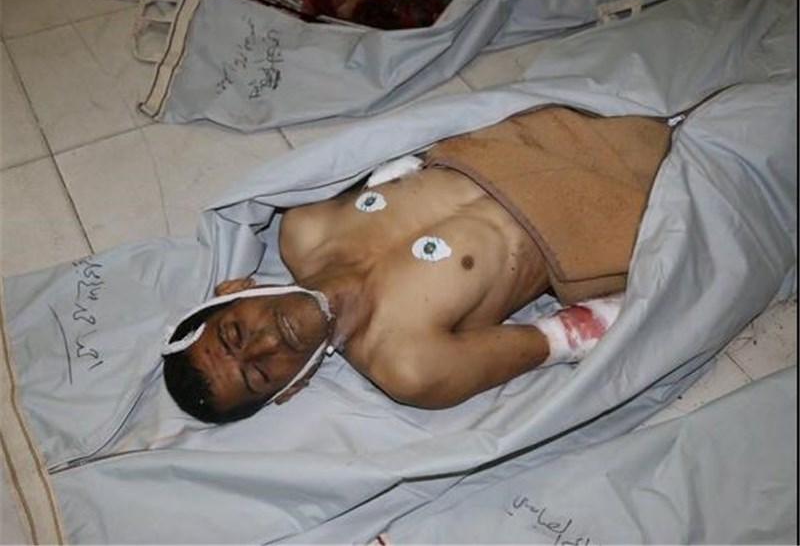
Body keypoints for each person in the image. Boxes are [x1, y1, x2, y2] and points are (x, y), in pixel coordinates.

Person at [163, 106, 673, 423]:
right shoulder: (410, 363)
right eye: (259, 373)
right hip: (618, 206)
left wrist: (397, 171)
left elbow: (392, 144)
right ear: (291, 388)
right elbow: (570, 335)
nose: (268, 344)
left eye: (234, 334)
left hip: (540, 123)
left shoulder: (305, 226)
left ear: (233, 290)